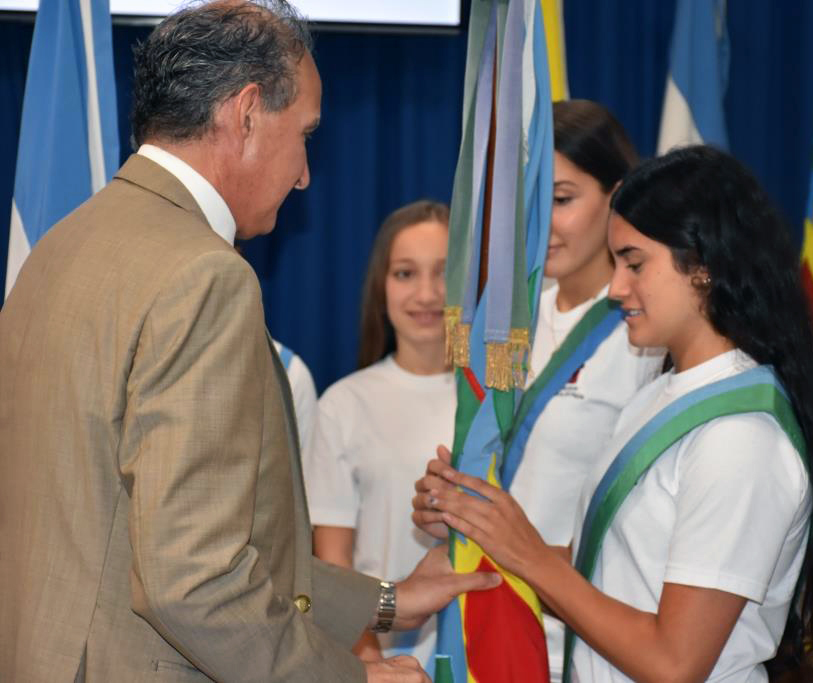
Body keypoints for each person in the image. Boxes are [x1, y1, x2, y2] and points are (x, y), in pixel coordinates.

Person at [0, 2, 496, 682]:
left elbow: (128, 528)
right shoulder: (204, 276)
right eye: (305, 137)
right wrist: (346, 677)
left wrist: (385, 600)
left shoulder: (59, 245)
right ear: (247, 113)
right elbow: (192, 577)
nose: (304, 176)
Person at [416, 146, 813, 681]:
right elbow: (601, 576)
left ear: (704, 267)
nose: (617, 288)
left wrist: (525, 554)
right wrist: (479, 528)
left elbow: (674, 663)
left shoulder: (742, 436)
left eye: (634, 263)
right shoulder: (661, 394)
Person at [418, 99, 664, 681]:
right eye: (527, 203)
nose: (540, 223)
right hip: (483, 626)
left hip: (578, 648)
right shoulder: (503, 326)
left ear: (618, 194)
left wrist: (508, 547)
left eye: (560, 200)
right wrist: (451, 510)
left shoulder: (648, 334)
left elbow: (647, 533)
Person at [305, 200, 453, 670]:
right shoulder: (343, 406)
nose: (426, 294)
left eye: (445, 272)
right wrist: (373, 666)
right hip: (386, 660)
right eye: (406, 274)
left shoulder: (503, 403)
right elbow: (333, 570)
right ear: (381, 286)